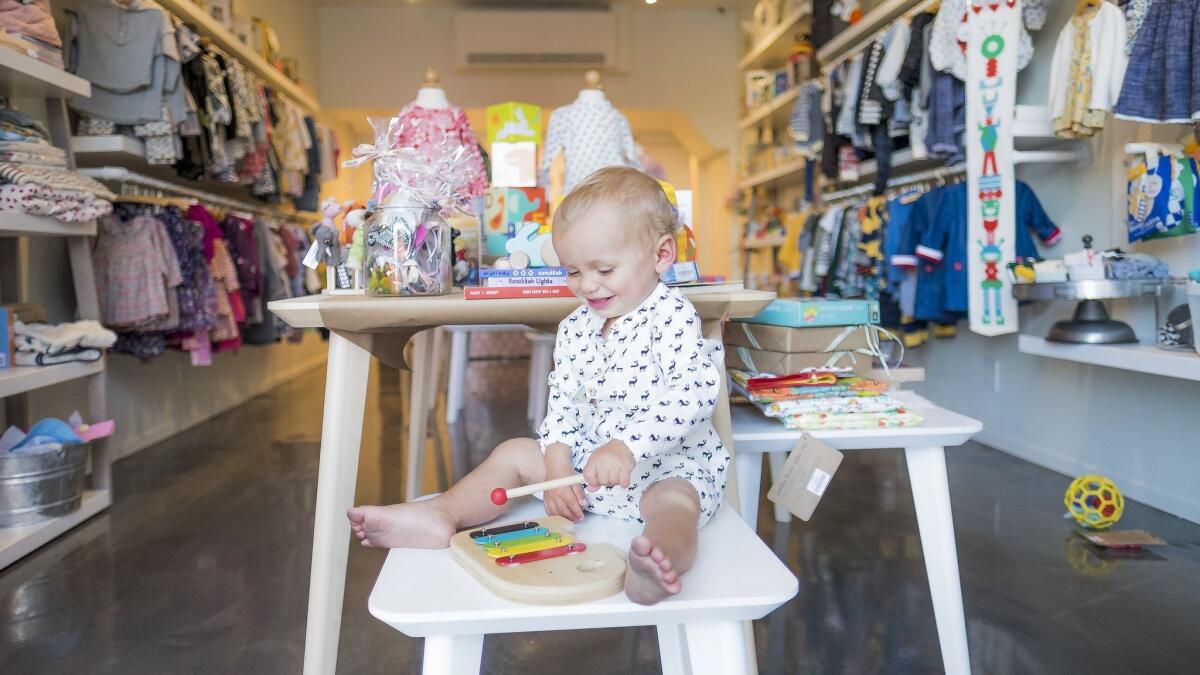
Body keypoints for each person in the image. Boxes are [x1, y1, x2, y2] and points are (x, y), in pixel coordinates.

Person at [347, 167, 728, 605]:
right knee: (513, 452)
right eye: (572, 271)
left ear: (661, 255)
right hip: (589, 470)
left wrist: (628, 447)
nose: (586, 285)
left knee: (675, 503)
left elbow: (694, 393)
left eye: (603, 269)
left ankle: (658, 561)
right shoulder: (575, 328)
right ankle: (442, 513)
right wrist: (557, 465)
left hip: (666, 467)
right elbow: (563, 402)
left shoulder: (672, 316)